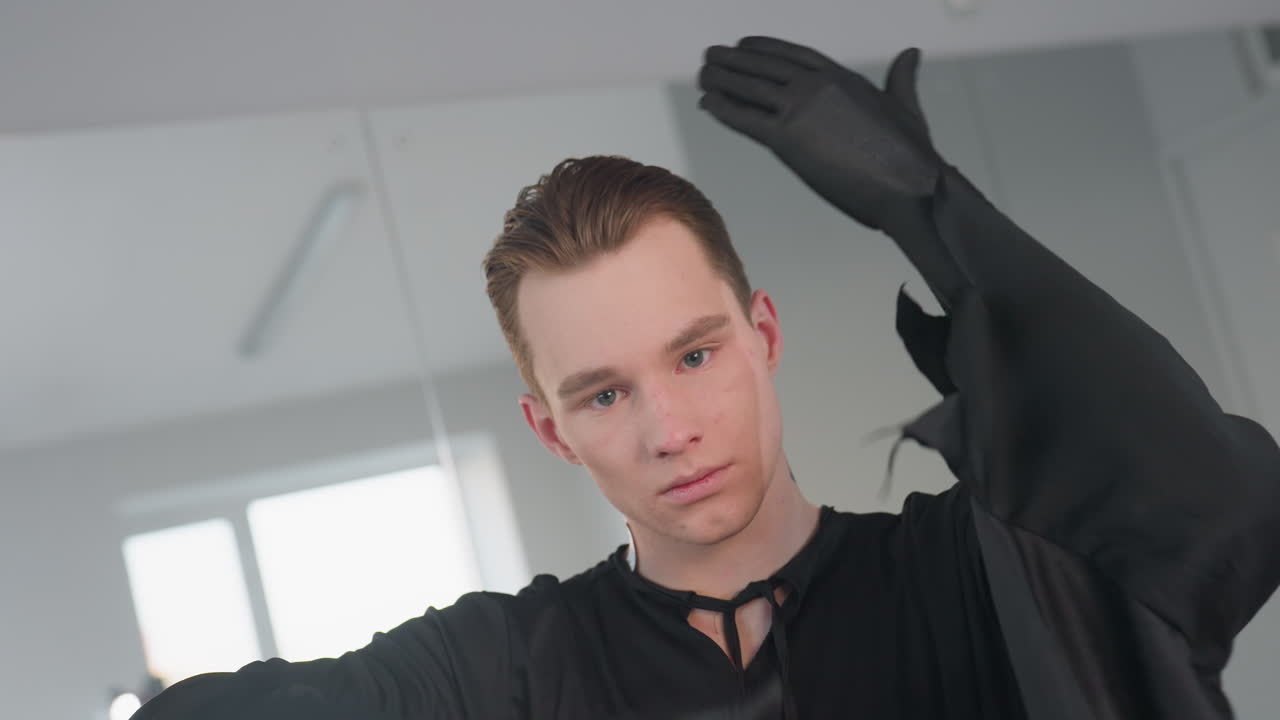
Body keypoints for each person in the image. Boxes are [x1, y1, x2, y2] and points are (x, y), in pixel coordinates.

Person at [135, 37, 1280, 720]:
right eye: (603, 394)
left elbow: (1217, 505)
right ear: (550, 430)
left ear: (760, 334)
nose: (669, 428)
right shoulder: (502, 671)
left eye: (692, 356)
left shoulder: (979, 572)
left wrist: (933, 213)